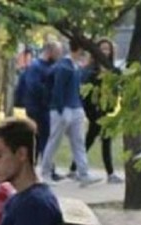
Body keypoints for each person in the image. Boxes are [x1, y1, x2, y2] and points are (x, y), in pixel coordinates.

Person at [39, 38, 103, 186]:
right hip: (63, 108)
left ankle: (83, 172)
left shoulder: (73, 66)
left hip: (74, 107)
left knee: (78, 141)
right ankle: (46, 173)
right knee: (54, 140)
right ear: (79, 49)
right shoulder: (64, 66)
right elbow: (58, 89)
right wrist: (60, 108)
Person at [71, 38, 121, 183]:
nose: (105, 51)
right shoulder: (91, 70)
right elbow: (85, 92)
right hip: (94, 110)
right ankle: (109, 173)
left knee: (92, 140)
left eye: (108, 48)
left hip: (106, 110)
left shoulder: (112, 69)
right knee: (99, 140)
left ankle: (74, 168)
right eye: (103, 48)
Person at [13, 41, 61, 175]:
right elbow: (34, 86)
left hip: (41, 107)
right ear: (50, 51)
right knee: (44, 138)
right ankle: (47, 170)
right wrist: (49, 96)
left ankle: (40, 168)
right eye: (57, 52)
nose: (59, 56)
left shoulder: (45, 66)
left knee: (40, 138)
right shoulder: (36, 66)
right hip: (37, 108)